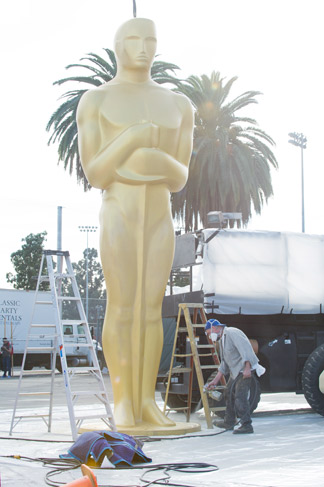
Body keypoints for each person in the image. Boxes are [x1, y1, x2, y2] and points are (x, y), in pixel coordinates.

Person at [77, 18, 194, 429]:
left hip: (160, 213)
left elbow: (179, 177)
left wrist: (154, 158)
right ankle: (124, 401)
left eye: (150, 40)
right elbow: (96, 172)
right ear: (117, 46)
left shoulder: (180, 105)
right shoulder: (95, 101)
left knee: (150, 309)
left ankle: (147, 402)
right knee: (122, 305)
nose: (143, 47)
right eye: (133, 39)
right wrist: (134, 138)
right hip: (119, 209)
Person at [206, 319, 265, 434]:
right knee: (228, 393)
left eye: (209, 332)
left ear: (216, 328)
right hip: (236, 371)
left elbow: (246, 349)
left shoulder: (233, 333)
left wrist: (247, 367)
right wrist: (215, 380)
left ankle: (246, 425)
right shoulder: (222, 339)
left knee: (240, 397)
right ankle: (229, 422)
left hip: (244, 371)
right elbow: (225, 362)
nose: (209, 335)